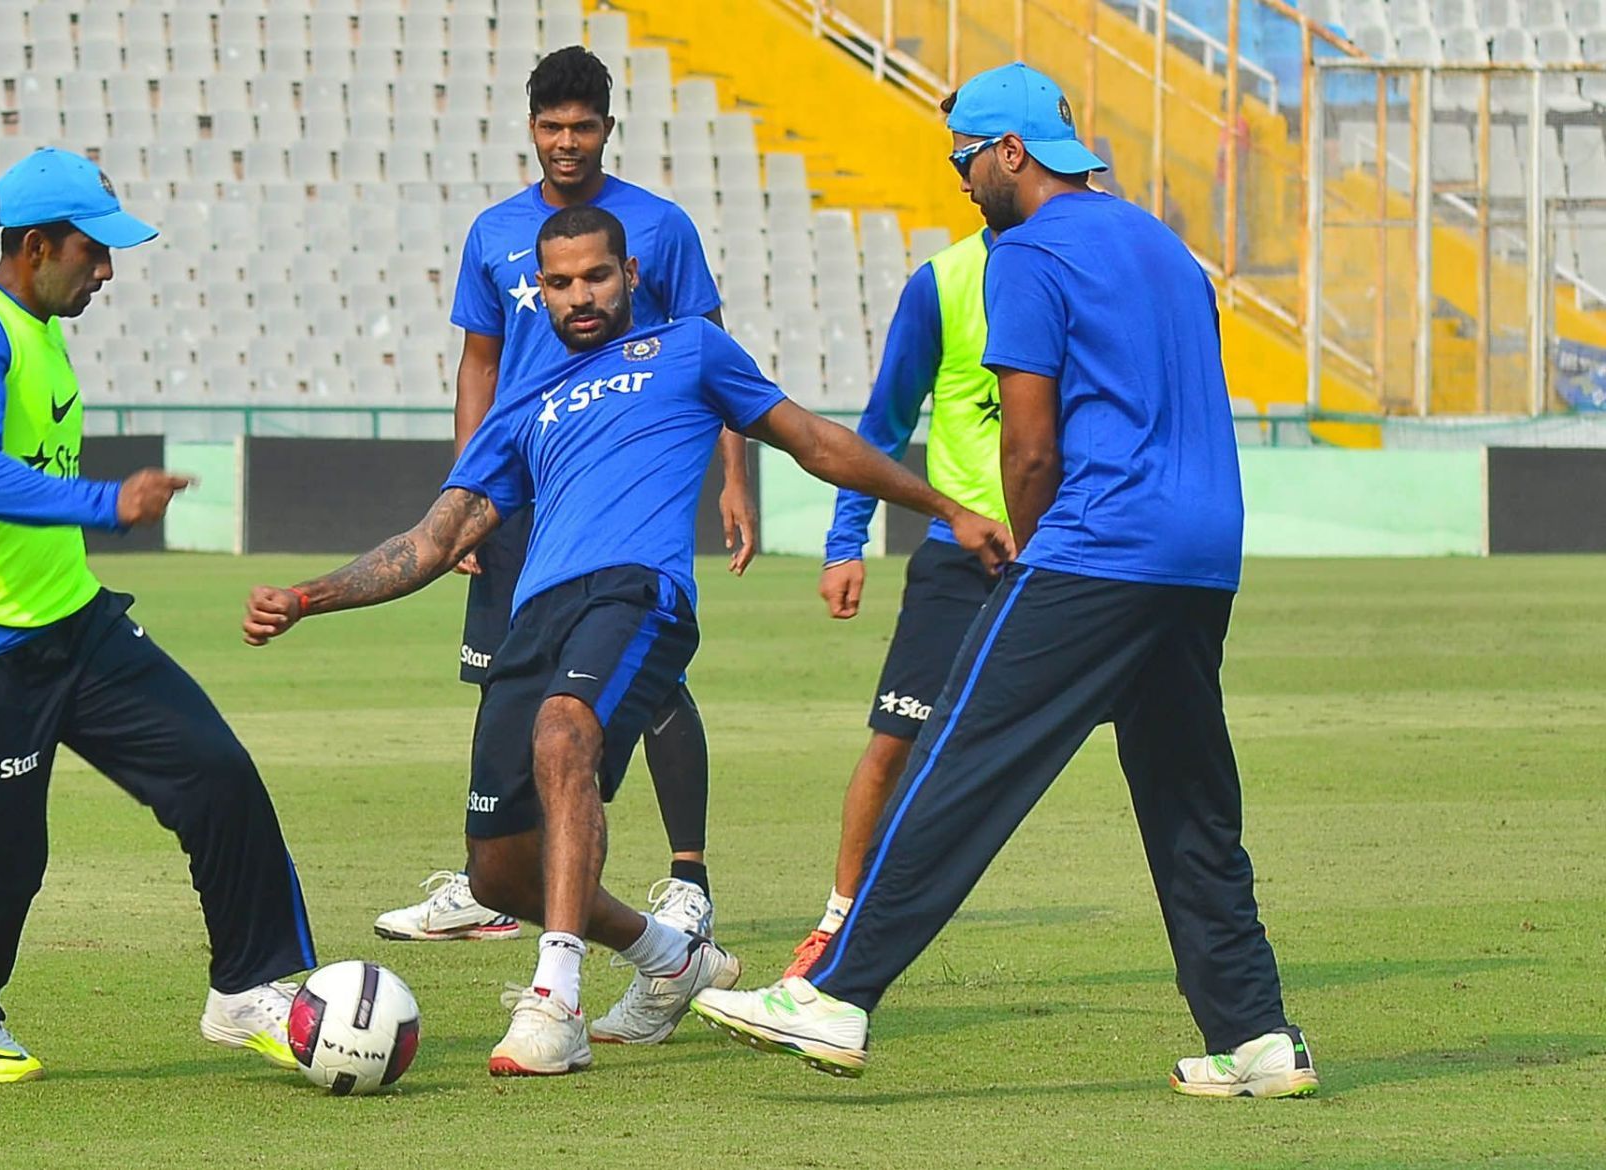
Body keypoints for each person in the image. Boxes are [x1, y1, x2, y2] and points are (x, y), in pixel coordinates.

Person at [242, 206, 1010, 1078]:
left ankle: (554, 1003)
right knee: (497, 875)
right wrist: (310, 596)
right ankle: (671, 958)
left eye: (595, 277)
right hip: (535, 616)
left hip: (638, 591)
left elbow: (816, 442)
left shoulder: (693, 350)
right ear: (539, 292)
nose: (579, 296)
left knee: (565, 730)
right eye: (559, 284)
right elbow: (433, 540)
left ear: (629, 274)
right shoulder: (522, 404)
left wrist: (946, 509)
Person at [692, 63, 1320, 1100]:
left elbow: (1029, 448)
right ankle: (1256, 1035)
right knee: (1186, 794)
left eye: (964, 158)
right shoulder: (1165, 246)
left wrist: (1037, 552)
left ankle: (836, 995)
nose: (959, 179)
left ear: (1011, 154)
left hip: (1097, 545)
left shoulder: (1025, 257)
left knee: (959, 759)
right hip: (1204, 557)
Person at [0, 148, 316, 1084]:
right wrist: (105, 503)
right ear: (36, 246)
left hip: (74, 625)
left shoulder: (43, 327)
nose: (109, 271)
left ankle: (254, 986)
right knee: (0, 861)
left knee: (216, 771)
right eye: (94, 252)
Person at [375, 46, 752, 1037]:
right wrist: (462, 492)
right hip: (515, 480)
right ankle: (500, 876)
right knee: (518, 686)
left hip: (616, 474)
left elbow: (710, 349)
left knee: (631, 687)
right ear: (531, 130)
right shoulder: (494, 233)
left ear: (607, 130)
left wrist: (733, 479)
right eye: (553, 128)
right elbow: (479, 360)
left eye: (584, 127)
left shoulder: (656, 228)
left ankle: (684, 881)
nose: (568, 143)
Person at [783, 99, 1005, 983]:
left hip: (1076, 558)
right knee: (894, 741)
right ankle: (838, 924)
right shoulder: (945, 282)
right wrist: (847, 539)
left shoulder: (1094, 271)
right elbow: (884, 421)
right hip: (965, 556)